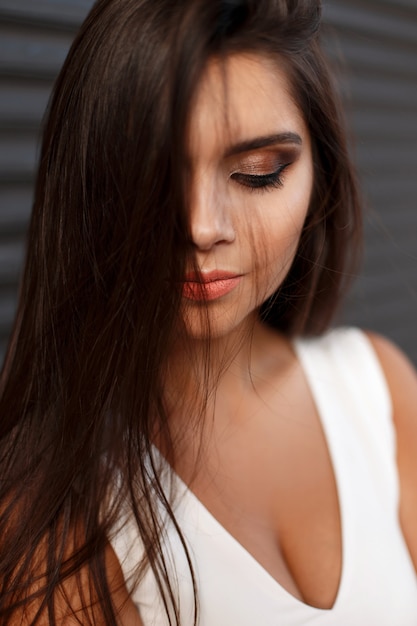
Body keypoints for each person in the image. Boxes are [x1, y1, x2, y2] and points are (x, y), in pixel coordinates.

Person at [1, 0, 417, 624]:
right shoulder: (53, 514)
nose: (201, 227)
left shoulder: (379, 387)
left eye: (257, 173)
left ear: (318, 175)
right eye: (156, 178)